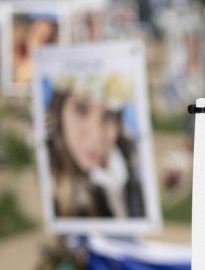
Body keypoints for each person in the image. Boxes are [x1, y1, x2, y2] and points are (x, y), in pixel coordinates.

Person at [46, 72, 145, 219]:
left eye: (110, 115)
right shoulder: (44, 181)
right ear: (59, 111)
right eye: (81, 109)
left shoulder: (133, 160)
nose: (96, 136)